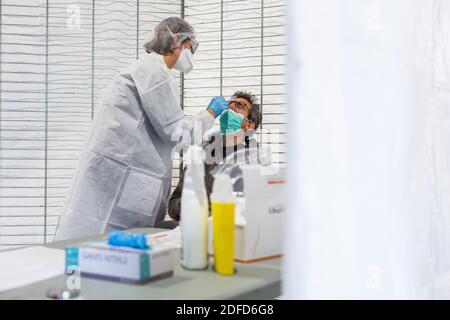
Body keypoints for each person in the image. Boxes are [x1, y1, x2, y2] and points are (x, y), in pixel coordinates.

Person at [55, 17, 228, 240]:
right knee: (104, 246)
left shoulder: (145, 70)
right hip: (123, 181)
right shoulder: (154, 72)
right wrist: (211, 113)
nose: (192, 53)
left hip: (117, 177)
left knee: (96, 243)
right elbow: (176, 132)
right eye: (190, 46)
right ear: (176, 41)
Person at [168, 91, 262, 222]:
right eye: (230, 103)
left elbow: (252, 209)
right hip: (192, 227)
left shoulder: (254, 162)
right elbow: (173, 204)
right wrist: (188, 205)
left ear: (249, 125)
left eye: (240, 105)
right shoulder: (202, 152)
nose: (232, 107)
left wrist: (202, 209)